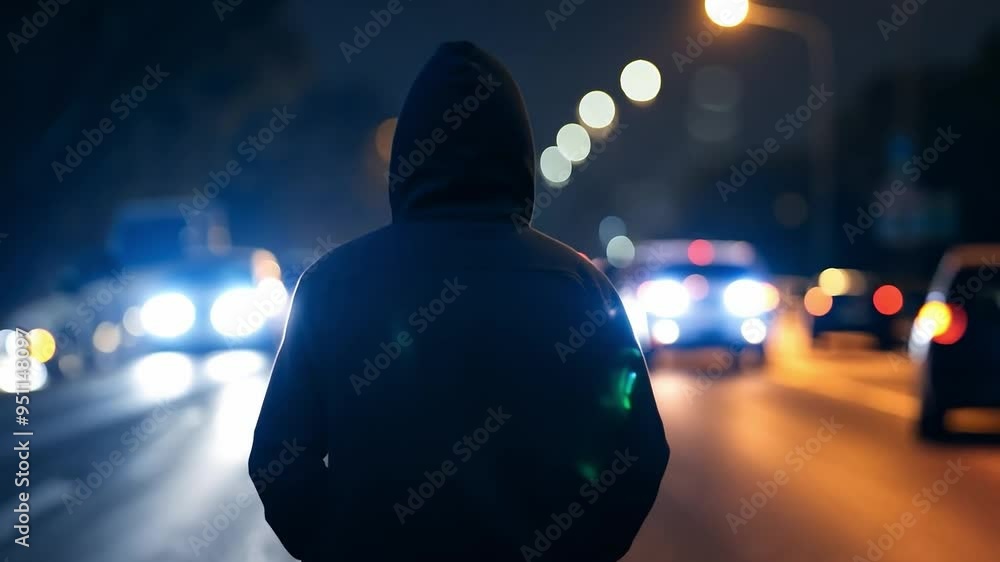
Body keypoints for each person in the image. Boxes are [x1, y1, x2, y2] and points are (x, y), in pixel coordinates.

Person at [249, 41, 669, 561]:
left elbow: (279, 460)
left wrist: (340, 545)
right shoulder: (579, 288)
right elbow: (638, 454)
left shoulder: (330, 285)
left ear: (409, 154)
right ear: (517, 154)